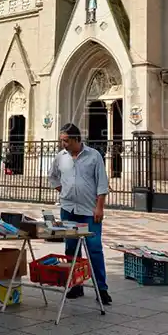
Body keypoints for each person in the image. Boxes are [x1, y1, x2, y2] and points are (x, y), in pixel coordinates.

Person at [48, 123, 112, 305]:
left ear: (76, 139)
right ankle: (76, 285)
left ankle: (102, 288)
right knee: (71, 249)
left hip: (89, 211)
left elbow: (102, 183)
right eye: (61, 141)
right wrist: (63, 191)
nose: (63, 144)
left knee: (94, 249)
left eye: (66, 141)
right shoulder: (61, 157)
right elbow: (52, 176)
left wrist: (100, 207)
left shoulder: (94, 156)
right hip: (68, 209)